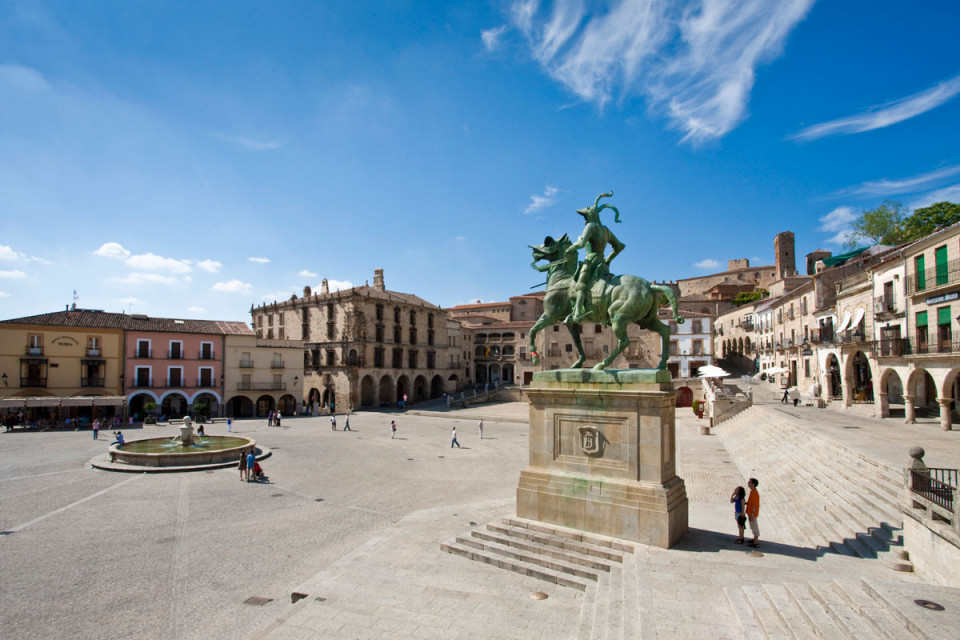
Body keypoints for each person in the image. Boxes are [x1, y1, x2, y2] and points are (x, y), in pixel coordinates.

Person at [564, 191, 625, 323]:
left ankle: (578, 312)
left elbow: (581, 244)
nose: (584, 219)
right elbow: (620, 247)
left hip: (590, 261)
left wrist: (569, 249)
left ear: (589, 216)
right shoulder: (606, 230)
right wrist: (608, 259)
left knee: (580, 285)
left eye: (584, 216)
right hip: (602, 264)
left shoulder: (590, 226)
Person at [745, 478, 760, 548]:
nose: (748, 483)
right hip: (750, 513)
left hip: (752, 514)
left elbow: (754, 505)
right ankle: (754, 539)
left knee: (754, 527)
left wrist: (752, 514)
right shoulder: (752, 492)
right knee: (752, 526)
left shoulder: (754, 493)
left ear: (753, 484)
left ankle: (755, 542)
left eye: (750, 482)